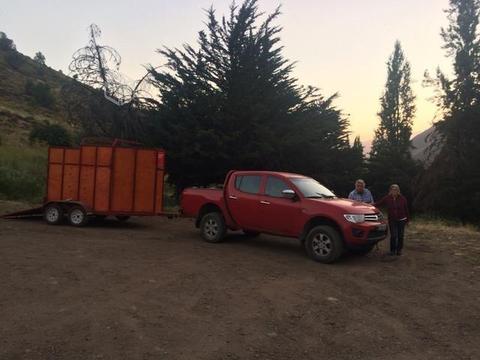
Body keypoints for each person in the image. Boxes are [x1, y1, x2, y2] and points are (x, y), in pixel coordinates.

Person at [375, 184, 409, 256]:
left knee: (400, 235)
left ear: (398, 191)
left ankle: (399, 250)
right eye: (393, 190)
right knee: (393, 235)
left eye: (396, 190)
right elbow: (378, 203)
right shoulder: (387, 198)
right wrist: (370, 205)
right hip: (392, 220)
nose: (394, 191)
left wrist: (407, 220)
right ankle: (392, 251)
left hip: (402, 219)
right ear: (390, 191)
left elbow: (406, 209)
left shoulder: (403, 198)